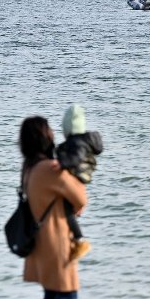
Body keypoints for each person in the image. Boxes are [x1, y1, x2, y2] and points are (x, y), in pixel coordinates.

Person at [15, 116, 87, 299]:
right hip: (56, 238)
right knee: (69, 296)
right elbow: (80, 197)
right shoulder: (49, 168)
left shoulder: (29, 167)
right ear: (45, 137)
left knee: (51, 297)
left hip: (40, 241)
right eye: (50, 131)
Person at [55, 105, 103, 262]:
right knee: (69, 211)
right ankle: (75, 240)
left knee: (66, 209)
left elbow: (74, 158)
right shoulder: (83, 141)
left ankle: (80, 240)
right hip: (81, 178)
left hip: (76, 177)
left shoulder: (77, 144)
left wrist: (62, 163)